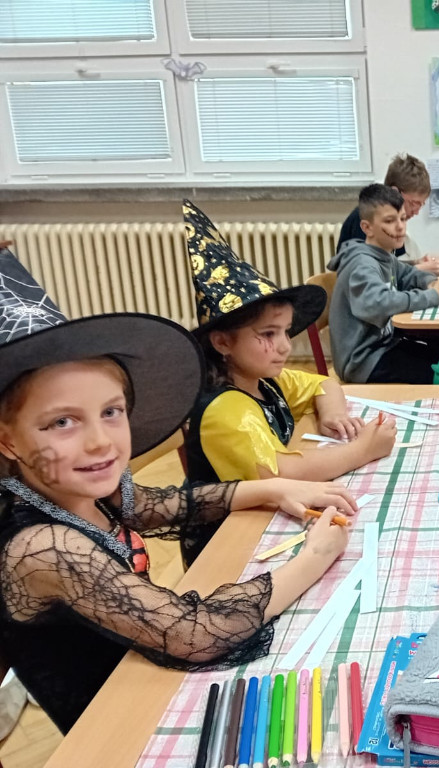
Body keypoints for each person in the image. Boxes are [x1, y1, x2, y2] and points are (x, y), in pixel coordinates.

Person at [0, 246, 356, 732]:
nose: (100, 441)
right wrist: (315, 556)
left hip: (148, 664)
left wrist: (272, 489)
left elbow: (160, 505)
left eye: (111, 411)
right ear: (8, 440)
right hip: (120, 721)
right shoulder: (43, 547)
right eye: (62, 422)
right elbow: (195, 633)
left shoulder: (81, 488)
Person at [182, 200, 396, 564]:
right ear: (222, 343)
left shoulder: (263, 379)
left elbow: (322, 384)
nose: (284, 346)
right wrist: (363, 450)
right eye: (268, 334)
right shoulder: (224, 408)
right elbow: (282, 473)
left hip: (268, 519)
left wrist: (333, 414)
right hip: (230, 545)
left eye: (284, 331)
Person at [330, 184, 439, 384]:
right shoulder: (362, 265)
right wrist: (432, 296)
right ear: (367, 228)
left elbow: (409, 274)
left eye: (403, 218)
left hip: (383, 345)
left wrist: (431, 283)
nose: (400, 227)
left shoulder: (384, 255)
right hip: (363, 361)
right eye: (390, 221)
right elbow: (380, 302)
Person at [335, 153, 439, 275]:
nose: (416, 211)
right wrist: (417, 270)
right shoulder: (368, 219)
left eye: (421, 205)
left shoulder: (393, 224)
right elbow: (367, 273)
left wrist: (416, 263)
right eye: (413, 203)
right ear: (395, 192)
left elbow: (390, 263)